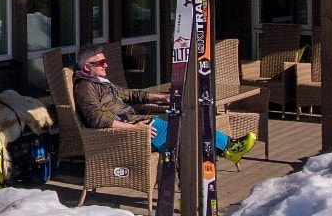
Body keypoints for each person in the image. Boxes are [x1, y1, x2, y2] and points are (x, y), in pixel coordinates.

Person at [71, 46, 256, 162]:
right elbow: (96, 120)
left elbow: (130, 94)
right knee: (182, 132)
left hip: (138, 123)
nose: (106, 65)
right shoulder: (86, 88)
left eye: (106, 61)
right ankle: (226, 150)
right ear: (87, 66)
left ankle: (225, 148)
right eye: (101, 62)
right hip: (123, 134)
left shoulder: (101, 83)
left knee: (184, 118)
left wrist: (160, 98)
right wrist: (131, 128)